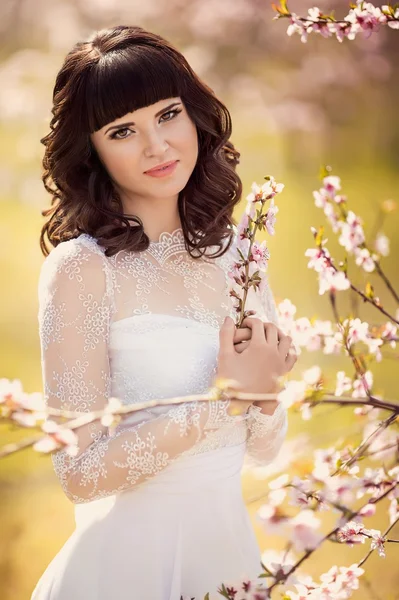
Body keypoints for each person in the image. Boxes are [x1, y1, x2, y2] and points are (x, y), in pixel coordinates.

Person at [32, 24, 297, 600]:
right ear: (92, 149)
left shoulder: (240, 255)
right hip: (125, 570)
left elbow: (264, 447)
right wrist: (226, 397)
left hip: (228, 558)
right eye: (123, 130)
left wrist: (266, 393)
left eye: (168, 114)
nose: (157, 146)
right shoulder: (83, 270)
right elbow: (78, 475)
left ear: (194, 115)